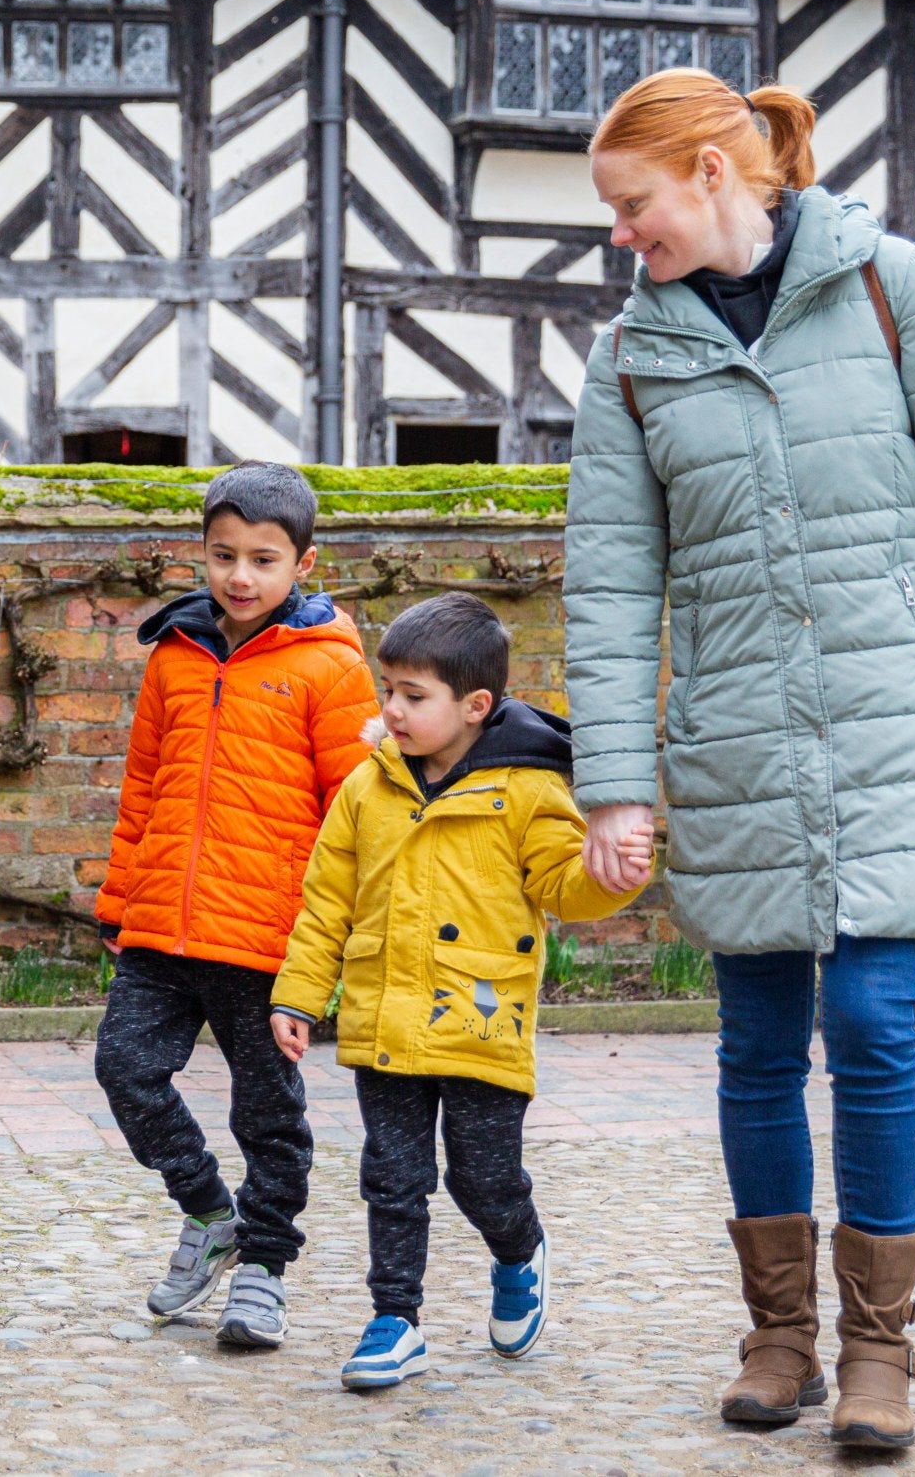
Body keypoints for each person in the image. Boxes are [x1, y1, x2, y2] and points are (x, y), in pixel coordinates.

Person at [565, 69, 915, 1449]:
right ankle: (778, 1339)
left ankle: (879, 1353)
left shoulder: (890, 288)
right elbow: (615, 584)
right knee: (754, 1046)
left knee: (869, 1025)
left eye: (634, 210)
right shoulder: (629, 359)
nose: (624, 241)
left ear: (708, 171)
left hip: (902, 726)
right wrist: (617, 783)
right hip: (742, 739)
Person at [267, 594, 651, 1390]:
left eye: (415, 696)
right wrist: (299, 995)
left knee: (484, 1177)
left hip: (480, 1018)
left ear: (475, 706)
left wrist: (609, 879)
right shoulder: (365, 791)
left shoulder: (527, 791)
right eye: (389, 691)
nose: (393, 711)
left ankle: (519, 1250)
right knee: (393, 1178)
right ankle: (394, 1319)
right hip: (384, 1018)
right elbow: (326, 902)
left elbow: (560, 885)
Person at [92, 462, 380, 1348]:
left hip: (266, 936)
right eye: (223, 556)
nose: (240, 577)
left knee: (268, 1113)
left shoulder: (331, 668)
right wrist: (119, 899)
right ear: (202, 555)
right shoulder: (174, 657)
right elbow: (143, 786)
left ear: (304, 563)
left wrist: (330, 946)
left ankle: (264, 1268)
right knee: (125, 1070)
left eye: (263, 559)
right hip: (160, 928)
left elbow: (355, 810)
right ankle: (210, 1213)